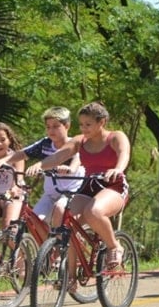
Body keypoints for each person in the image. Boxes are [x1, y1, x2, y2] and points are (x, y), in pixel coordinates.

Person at [31, 101, 130, 269]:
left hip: (113, 186)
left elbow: (124, 153)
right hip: (89, 186)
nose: (84, 129)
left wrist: (117, 169)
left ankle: (114, 246)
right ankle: (70, 276)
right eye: (81, 124)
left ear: (102, 122)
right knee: (65, 222)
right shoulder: (80, 141)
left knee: (93, 211)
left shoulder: (115, 137)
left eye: (88, 124)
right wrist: (39, 165)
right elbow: (57, 157)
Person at [0, 106, 83, 224]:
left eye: (56, 126)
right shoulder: (45, 144)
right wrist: (4, 160)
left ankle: (60, 240)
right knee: (35, 221)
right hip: (51, 193)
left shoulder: (74, 144)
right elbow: (23, 153)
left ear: (66, 126)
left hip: (71, 192)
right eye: (48, 127)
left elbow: (77, 160)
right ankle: (49, 243)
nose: (51, 130)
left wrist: (69, 169)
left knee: (59, 210)